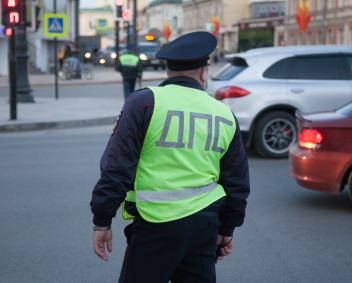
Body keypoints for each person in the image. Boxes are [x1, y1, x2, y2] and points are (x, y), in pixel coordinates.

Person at [90, 31, 250, 283]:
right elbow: (237, 181)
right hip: (204, 226)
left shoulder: (145, 103)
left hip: (156, 224)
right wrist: (227, 229)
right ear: (203, 72)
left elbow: (117, 167)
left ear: (168, 71)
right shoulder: (224, 114)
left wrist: (102, 221)